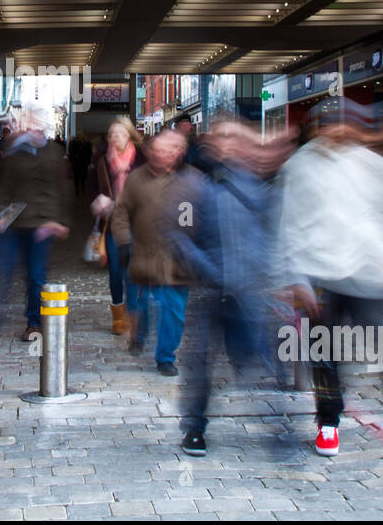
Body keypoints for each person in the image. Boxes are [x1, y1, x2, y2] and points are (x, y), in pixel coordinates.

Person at [277, 99, 383, 467]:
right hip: (320, 273)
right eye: (327, 125)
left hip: (362, 272)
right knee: (325, 353)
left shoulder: (361, 162)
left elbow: (371, 216)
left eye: (342, 124)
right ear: (315, 129)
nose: (336, 131)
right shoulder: (299, 167)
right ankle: (328, 420)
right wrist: (296, 278)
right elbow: (289, 226)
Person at [168, 121, 295, 457]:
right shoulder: (194, 185)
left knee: (261, 362)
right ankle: (194, 428)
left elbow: (271, 237)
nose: (230, 145)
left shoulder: (259, 188)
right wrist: (212, 271)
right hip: (212, 292)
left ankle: (279, 428)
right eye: (223, 137)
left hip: (248, 293)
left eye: (235, 138)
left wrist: (271, 279)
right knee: (200, 365)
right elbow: (180, 236)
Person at [110, 128, 203, 375]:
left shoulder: (194, 181)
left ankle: (165, 356)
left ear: (178, 152)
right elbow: (120, 213)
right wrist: (123, 242)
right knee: (143, 302)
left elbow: (205, 219)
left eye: (167, 150)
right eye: (156, 150)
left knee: (173, 309)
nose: (159, 155)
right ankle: (139, 332)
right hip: (144, 255)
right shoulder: (137, 179)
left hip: (178, 261)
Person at [0, 113, 73, 340]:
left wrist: (61, 221)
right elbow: (5, 186)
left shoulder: (54, 152)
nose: (33, 128)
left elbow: (63, 188)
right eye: (30, 124)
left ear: (44, 128)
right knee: (4, 267)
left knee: (36, 274)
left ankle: (33, 322)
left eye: (37, 124)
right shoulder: (16, 151)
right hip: (15, 219)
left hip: (43, 222)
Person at [90, 118, 145, 335]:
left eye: (120, 133)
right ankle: (117, 312)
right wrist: (98, 200)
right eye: (112, 134)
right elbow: (92, 188)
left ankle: (132, 313)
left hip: (138, 222)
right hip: (112, 222)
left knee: (133, 271)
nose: (116, 138)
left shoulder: (142, 159)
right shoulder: (102, 160)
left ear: (130, 135)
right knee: (115, 271)